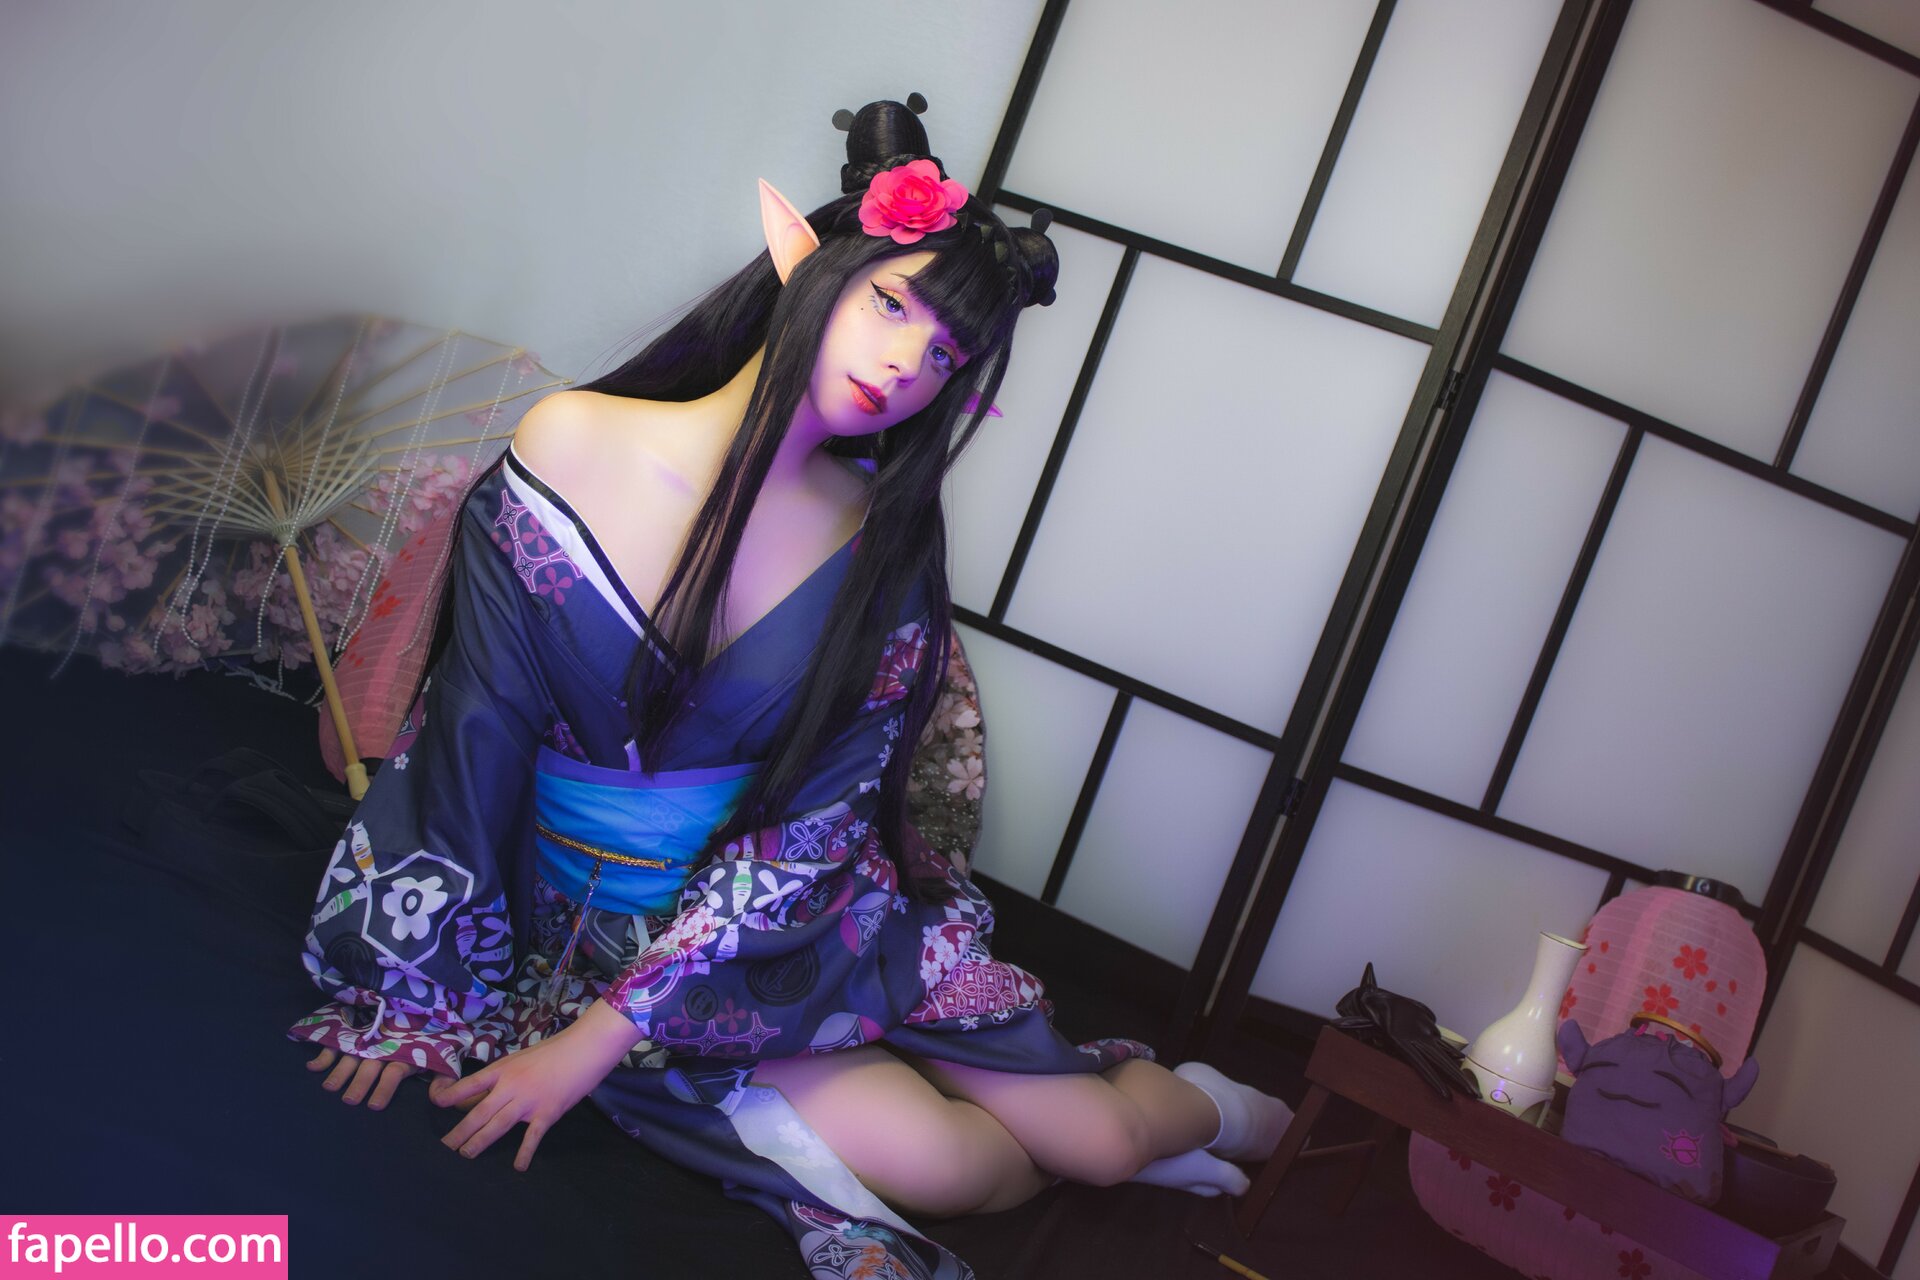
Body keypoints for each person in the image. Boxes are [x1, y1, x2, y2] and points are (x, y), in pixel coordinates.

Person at [286, 96, 1294, 1278]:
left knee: (1105, 1141)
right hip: (591, 922)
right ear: (805, 261)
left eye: (945, 355)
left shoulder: (881, 556)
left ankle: (1211, 1108)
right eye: (892, 303)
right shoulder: (571, 442)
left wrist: (596, 1042)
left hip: (790, 917)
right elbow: (475, 728)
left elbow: (810, 832)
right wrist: (413, 990)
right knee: (952, 1168)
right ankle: (1092, 1140)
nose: (907, 362)